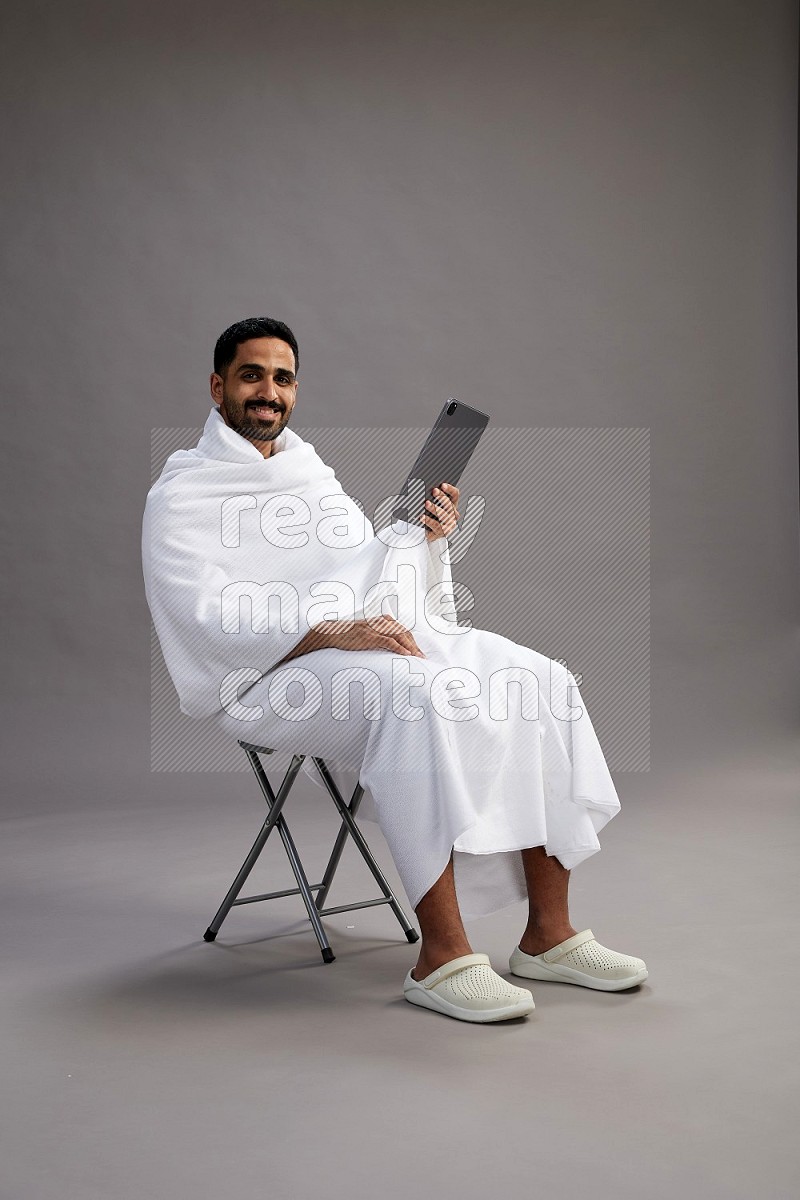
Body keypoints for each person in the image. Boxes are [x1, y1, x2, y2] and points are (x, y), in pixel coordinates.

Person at [142, 316, 648, 1024]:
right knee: (412, 693)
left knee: (537, 677)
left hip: (346, 646)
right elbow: (200, 614)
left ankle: (548, 936)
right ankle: (441, 956)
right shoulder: (182, 494)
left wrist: (424, 537)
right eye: (251, 375)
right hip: (262, 676)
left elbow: (367, 567)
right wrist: (322, 629)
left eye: (282, 378)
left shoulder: (308, 473)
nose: (268, 392)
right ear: (218, 385)